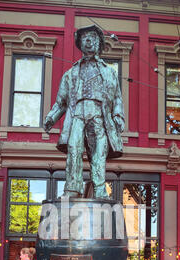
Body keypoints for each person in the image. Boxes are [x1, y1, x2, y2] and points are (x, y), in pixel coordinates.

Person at [43, 25, 125, 199]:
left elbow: (117, 99)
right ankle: (73, 188)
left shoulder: (110, 73)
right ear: (80, 43)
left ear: (99, 43)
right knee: (74, 148)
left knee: (98, 154)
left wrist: (118, 116)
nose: (88, 41)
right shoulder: (71, 73)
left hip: (99, 116)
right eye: (85, 38)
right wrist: (51, 117)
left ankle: (100, 190)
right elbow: (61, 102)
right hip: (77, 116)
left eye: (92, 37)